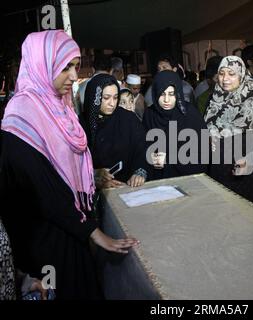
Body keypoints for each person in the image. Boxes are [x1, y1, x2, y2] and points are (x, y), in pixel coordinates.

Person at [0, 30, 139, 299]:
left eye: (75, 66)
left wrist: (92, 174)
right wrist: (93, 232)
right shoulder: (22, 115)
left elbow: (63, 165)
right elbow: (42, 187)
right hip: (46, 241)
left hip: (71, 228)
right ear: (42, 64)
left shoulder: (59, 107)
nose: (74, 77)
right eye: (65, 67)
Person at [204, 56, 253, 211]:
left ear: (242, 75)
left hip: (248, 176)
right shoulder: (214, 100)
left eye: (231, 74)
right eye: (222, 73)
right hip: (219, 173)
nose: (225, 79)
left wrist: (252, 158)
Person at [82, 74, 148, 188]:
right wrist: (94, 176)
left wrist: (140, 172)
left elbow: (143, 148)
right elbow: (73, 165)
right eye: (106, 98)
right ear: (94, 97)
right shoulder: (81, 124)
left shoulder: (128, 119)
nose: (112, 103)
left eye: (116, 97)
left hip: (129, 187)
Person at [142, 70, 207, 180]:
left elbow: (202, 153)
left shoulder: (189, 114)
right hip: (156, 180)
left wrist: (169, 160)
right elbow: (142, 146)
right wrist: (150, 157)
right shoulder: (150, 114)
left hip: (187, 179)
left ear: (178, 93)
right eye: (162, 94)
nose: (166, 100)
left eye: (171, 94)